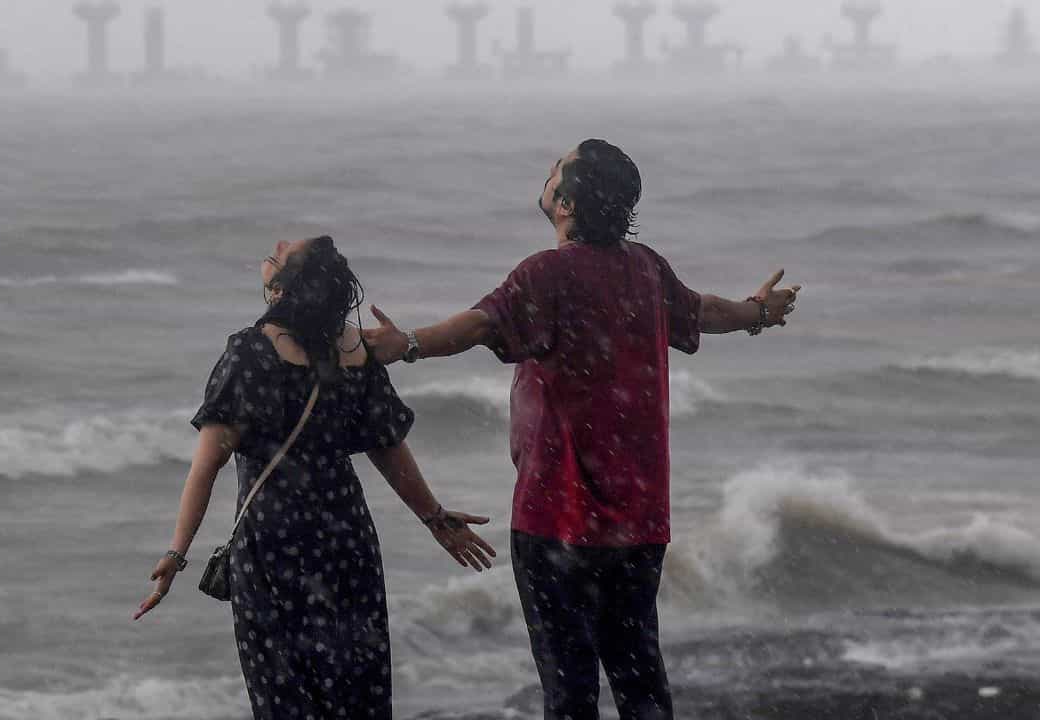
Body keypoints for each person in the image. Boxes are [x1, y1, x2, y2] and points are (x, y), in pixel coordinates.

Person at [363, 140, 801, 720]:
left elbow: (478, 325)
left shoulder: (546, 273)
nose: (546, 174)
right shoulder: (645, 268)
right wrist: (760, 313)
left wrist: (408, 344)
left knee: (569, 691)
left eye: (555, 170)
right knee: (641, 680)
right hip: (640, 516)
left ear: (565, 202)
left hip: (557, 514)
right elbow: (705, 312)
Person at [131, 235, 496, 719]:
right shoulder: (356, 351)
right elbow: (386, 446)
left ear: (284, 286)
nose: (275, 245)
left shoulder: (250, 354)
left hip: (274, 548)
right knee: (355, 688)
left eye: (281, 253)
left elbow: (207, 464)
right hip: (347, 541)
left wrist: (177, 553)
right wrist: (432, 517)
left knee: (285, 693)